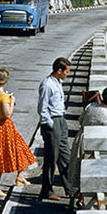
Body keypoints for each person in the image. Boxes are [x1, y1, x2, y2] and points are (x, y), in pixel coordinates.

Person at [67, 85, 107, 209]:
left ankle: (78, 194)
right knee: (89, 170)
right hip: (94, 144)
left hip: (81, 138)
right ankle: (82, 198)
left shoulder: (91, 106)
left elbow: (80, 120)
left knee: (78, 167)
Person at [0, 67, 36, 198]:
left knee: (19, 149)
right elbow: (8, 114)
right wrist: (12, 102)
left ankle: (20, 176)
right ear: (5, 80)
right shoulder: (4, 97)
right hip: (5, 126)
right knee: (2, 156)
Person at [37, 57, 76, 201]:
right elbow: (42, 107)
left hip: (61, 120)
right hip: (52, 123)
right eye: (67, 71)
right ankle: (47, 190)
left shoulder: (58, 82)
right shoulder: (47, 85)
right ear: (59, 71)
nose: (68, 74)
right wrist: (50, 124)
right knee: (51, 158)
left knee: (65, 155)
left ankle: (71, 189)